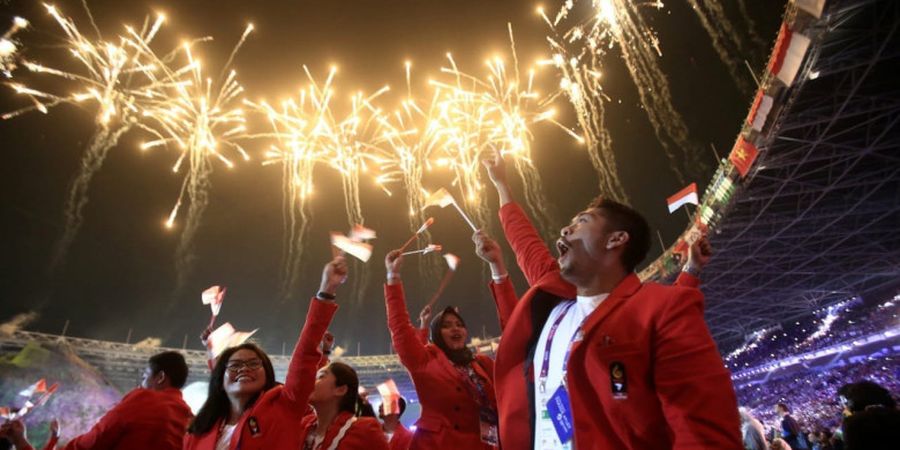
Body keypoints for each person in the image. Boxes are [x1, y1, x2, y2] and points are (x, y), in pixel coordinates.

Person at [481, 152, 741, 449]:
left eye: (582, 221)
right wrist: (501, 184)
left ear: (616, 239)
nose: (565, 229)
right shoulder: (555, 298)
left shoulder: (661, 309)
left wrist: (690, 273)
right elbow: (523, 241)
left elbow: (704, 434)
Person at [183, 256, 344, 450]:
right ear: (220, 378)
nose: (244, 369)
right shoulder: (200, 429)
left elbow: (304, 358)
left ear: (267, 374)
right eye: (235, 365)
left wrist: (326, 289)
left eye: (253, 364)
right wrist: (211, 347)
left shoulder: (284, 408)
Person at [383, 250, 499, 449]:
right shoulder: (426, 360)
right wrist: (393, 278)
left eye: (459, 324)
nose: (455, 328)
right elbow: (400, 329)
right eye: (446, 325)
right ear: (436, 334)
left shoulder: (482, 364)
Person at [1, 351, 191, 450]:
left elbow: (95, 441)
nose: (141, 385)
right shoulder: (190, 419)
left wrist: (21, 442)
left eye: (144, 377)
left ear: (160, 377)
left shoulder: (144, 399)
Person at [299, 362, 389, 449]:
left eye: (321, 376)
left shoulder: (366, 431)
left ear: (340, 390)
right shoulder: (303, 425)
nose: (311, 381)